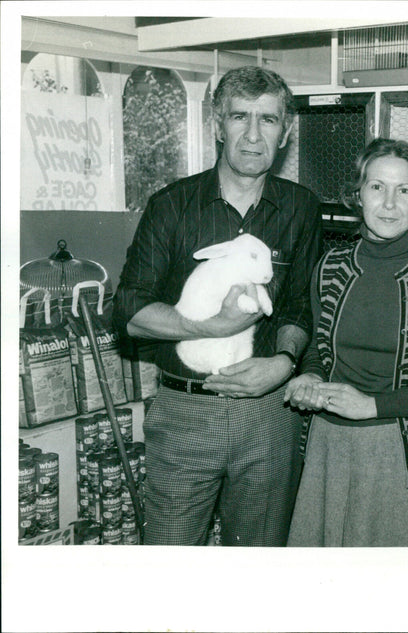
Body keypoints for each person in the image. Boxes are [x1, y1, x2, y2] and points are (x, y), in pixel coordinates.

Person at [113, 66, 323, 546]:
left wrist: (285, 363)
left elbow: (298, 309)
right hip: (186, 410)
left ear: (286, 131)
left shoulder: (301, 208)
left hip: (268, 414)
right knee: (171, 566)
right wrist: (214, 326)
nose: (253, 135)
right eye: (239, 117)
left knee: (257, 568)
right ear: (216, 124)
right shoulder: (172, 205)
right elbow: (127, 310)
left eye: (268, 120)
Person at [284, 138, 408, 547]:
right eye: (377, 187)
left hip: (403, 452)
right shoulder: (332, 265)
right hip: (328, 447)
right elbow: (318, 353)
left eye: (404, 190)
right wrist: (309, 379)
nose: (389, 203)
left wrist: (371, 406)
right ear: (357, 195)